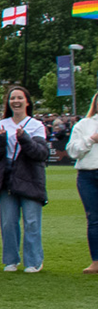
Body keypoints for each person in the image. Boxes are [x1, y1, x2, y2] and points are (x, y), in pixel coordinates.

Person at [0, 86, 50, 273]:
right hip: (7, 176)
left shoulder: (36, 125)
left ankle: (33, 261)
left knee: (31, 221)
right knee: (8, 221)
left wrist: (24, 138)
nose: (15, 101)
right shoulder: (3, 124)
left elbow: (40, 153)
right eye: (12, 98)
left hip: (30, 176)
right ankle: (11, 260)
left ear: (27, 102)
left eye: (19, 98)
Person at [68, 94, 98, 275]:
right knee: (94, 219)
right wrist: (91, 139)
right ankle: (96, 261)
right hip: (87, 175)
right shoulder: (83, 125)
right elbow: (72, 151)